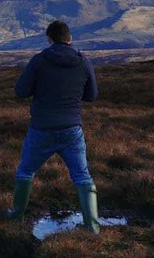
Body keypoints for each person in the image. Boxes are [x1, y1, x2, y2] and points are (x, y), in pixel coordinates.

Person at [6, 20, 102, 233]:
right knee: (82, 175)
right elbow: (92, 96)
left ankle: (17, 215)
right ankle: (92, 226)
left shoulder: (39, 61)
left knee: (25, 171)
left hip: (42, 128)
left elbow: (21, 91)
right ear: (70, 38)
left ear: (49, 39)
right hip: (72, 129)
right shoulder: (83, 62)